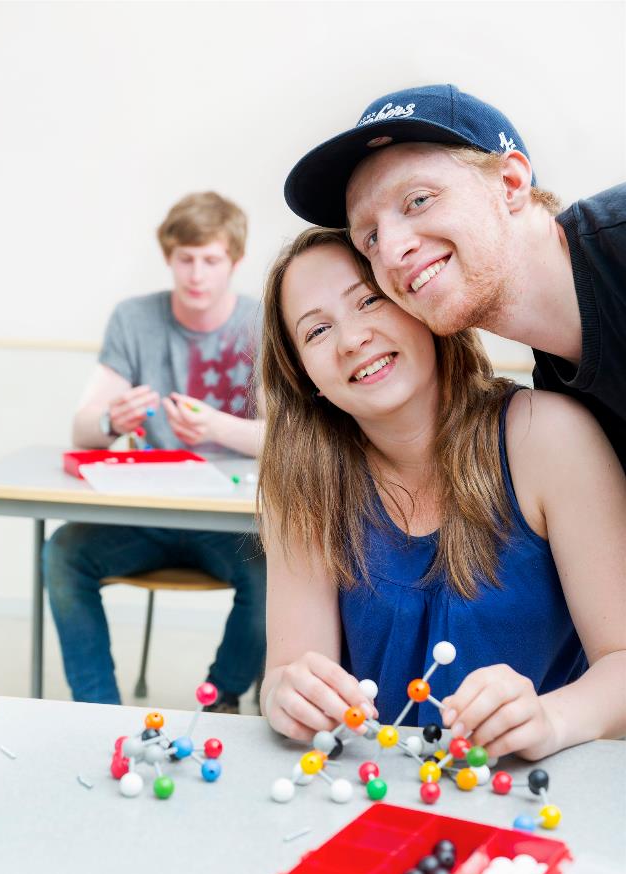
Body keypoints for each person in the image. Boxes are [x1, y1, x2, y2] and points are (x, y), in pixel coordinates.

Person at [258, 227, 625, 760]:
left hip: (531, 799)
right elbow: (287, 673)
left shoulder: (546, 435)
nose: (351, 339)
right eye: (316, 332)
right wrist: (283, 697)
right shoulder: (306, 485)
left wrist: (550, 718)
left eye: (369, 301)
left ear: (418, 307)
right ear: (305, 376)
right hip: (375, 801)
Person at [284, 84, 625, 471]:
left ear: (510, 182)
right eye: (372, 238)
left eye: (419, 200)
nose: (393, 252)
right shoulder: (567, 401)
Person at [44, 191, 266, 712]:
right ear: (168, 257)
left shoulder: (262, 323)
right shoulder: (134, 319)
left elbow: (288, 438)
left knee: (278, 570)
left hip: (234, 521)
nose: (196, 274)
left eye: (210, 260)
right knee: (62, 552)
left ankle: (223, 700)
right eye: (185, 259)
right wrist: (110, 420)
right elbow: (83, 430)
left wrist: (219, 428)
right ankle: (97, 710)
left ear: (233, 261)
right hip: (145, 513)